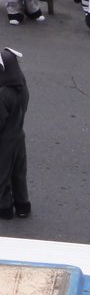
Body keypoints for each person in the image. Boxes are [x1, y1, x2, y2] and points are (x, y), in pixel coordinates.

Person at [0, 47, 31, 220]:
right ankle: (22, 205)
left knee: (2, 174)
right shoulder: (23, 88)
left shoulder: (3, 94)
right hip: (19, 135)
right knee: (19, 173)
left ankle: (4, 208)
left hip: (4, 141)